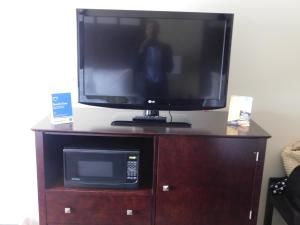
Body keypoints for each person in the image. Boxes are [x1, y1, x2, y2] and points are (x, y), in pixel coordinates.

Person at [134, 20, 173, 98]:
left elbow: (170, 68)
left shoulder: (166, 47)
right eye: (149, 28)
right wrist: (141, 50)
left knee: (163, 108)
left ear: (158, 31)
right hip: (145, 87)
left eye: (155, 28)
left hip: (162, 87)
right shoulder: (138, 47)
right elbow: (135, 67)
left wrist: (165, 54)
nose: (152, 30)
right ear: (146, 31)